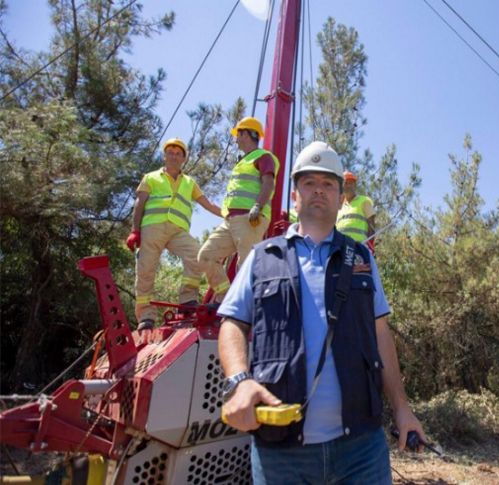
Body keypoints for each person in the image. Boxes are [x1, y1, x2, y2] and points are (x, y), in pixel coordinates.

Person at [218, 141, 424, 484]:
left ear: (341, 197)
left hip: (361, 448)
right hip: (280, 453)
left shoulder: (361, 258)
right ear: (295, 196)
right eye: (309, 183)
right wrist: (240, 382)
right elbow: (232, 323)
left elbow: (380, 335)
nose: (319, 191)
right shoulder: (263, 256)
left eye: (328, 184)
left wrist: (402, 409)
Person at [126, 138, 222, 329]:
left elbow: (208, 204)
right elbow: (140, 203)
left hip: (178, 231)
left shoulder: (189, 182)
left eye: (178, 153)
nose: (174, 156)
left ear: (183, 159)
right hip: (152, 228)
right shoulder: (151, 177)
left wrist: (230, 214)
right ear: (165, 155)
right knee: (145, 270)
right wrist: (135, 230)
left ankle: (187, 302)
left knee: (198, 255)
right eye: (170, 152)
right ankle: (146, 316)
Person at [198, 116, 280, 303]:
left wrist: (257, 206)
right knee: (206, 256)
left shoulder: (263, 157)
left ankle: (242, 311)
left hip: (249, 218)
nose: (236, 138)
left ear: (249, 134)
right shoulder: (242, 162)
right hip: (230, 220)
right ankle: (226, 297)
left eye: (239, 134)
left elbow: (268, 182)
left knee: (245, 267)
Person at [336, 171, 375, 243]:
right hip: (340, 247)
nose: (348, 186)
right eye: (345, 183)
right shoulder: (339, 206)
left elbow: (372, 225)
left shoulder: (364, 201)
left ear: (355, 185)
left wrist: (370, 245)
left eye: (351, 183)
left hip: (358, 246)